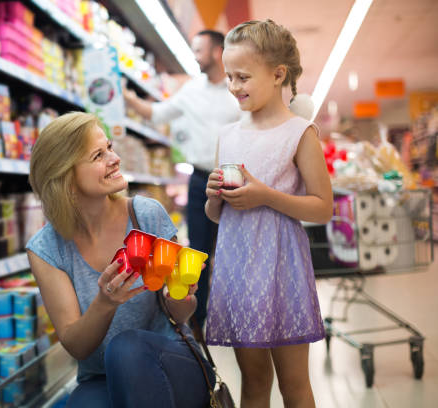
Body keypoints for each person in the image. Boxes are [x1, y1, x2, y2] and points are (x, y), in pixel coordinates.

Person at [25, 111, 215, 408]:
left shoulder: (145, 215)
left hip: (171, 361)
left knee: (126, 348)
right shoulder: (46, 249)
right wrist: (105, 302)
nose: (114, 159)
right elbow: (77, 346)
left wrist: (181, 294)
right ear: (65, 177)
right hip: (100, 376)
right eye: (98, 155)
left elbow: (179, 315)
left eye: (110, 148)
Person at [204, 20, 333, 407]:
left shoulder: (299, 133)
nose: (233, 86)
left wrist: (266, 196)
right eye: (229, 76)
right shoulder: (227, 136)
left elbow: (322, 207)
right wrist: (214, 199)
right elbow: (217, 215)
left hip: (283, 269)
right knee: (254, 380)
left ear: (278, 74)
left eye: (243, 76)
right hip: (238, 270)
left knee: (294, 383)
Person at [123, 30, 241, 335]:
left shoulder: (237, 88)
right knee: (197, 254)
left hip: (238, 178)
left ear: (217, 51)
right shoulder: (191, 92)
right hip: (201, 178)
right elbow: (157, 112)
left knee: (235, 253)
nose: (194, 56)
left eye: (198, 49)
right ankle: (198, 322)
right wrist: (125, 97)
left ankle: (237, 317)